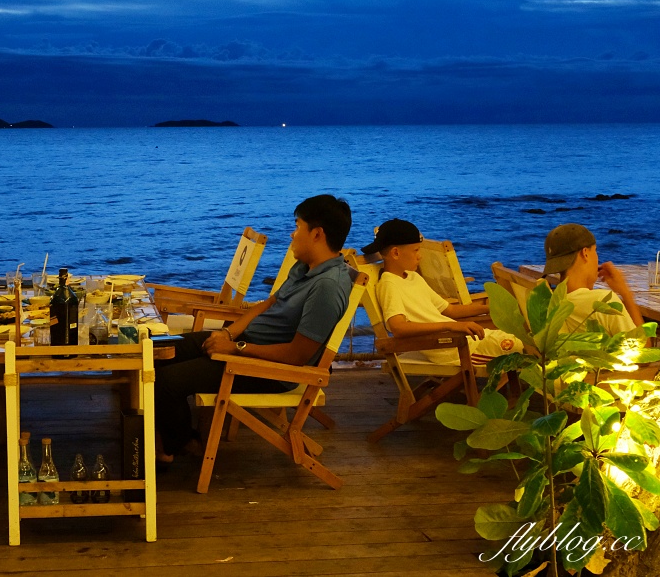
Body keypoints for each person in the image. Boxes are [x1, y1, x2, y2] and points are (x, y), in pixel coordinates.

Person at [154, 194, 354, 462]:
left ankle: (179, 445)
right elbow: (269, 303)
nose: (293, 235)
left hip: (269, 370)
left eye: (297, 227)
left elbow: (297, 356)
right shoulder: (306, 267)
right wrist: (229, 333)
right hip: (245, 346)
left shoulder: (327, 287)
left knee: (165, 382)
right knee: (157, 350)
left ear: (317, 234)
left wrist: (236, 349)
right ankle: (173, 438)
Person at [366, 218, 522, 365]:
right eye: (416, 250)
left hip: (459, 340)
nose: (420, 257)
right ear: (395, 253)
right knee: (523, 348)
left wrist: (490, 308)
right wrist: (450, 326)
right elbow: (398, 327)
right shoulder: (389, 285)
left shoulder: (413, 278)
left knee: (522, 339)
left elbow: (450, 310)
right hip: (450, 348)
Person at [542, 223, 643, 334]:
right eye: (595, 251)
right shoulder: (603, 301)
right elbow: (644, 348)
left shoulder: (551, 303)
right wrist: (625, 293)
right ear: (585, 253)